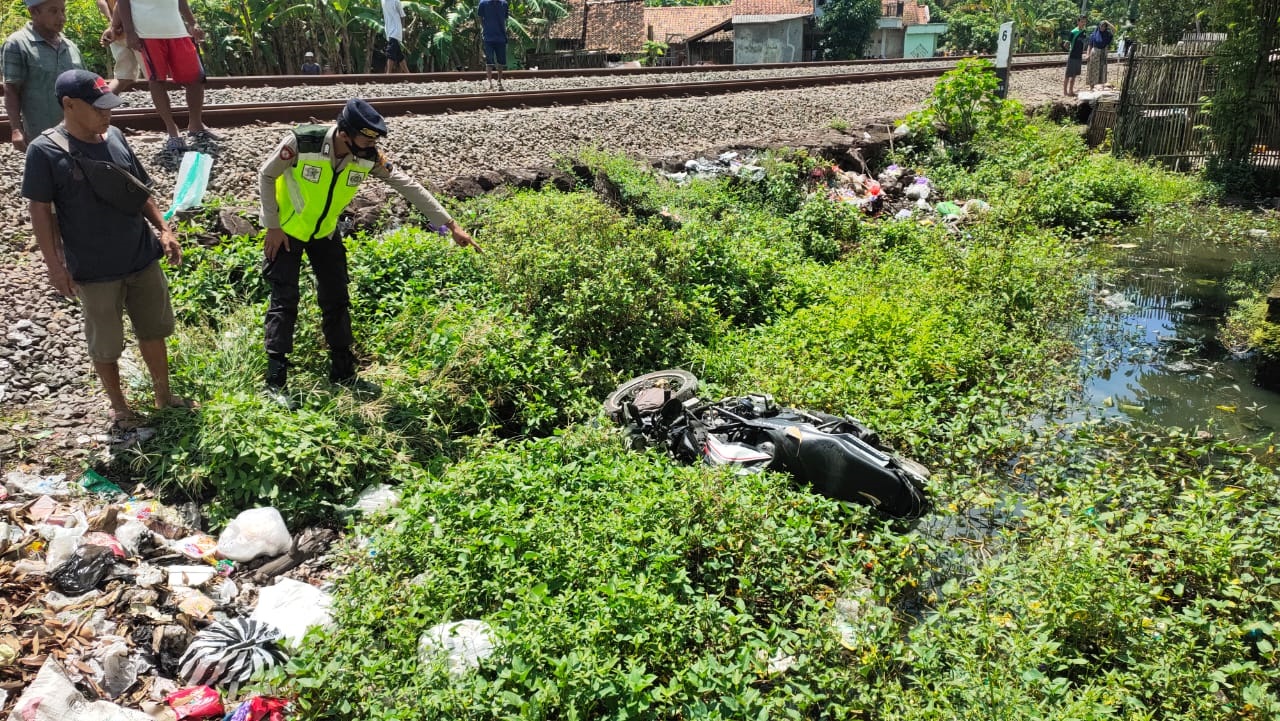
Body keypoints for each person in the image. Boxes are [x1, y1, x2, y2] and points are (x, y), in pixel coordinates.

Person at [257, 98, 480, 398]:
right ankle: (275, 380)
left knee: (336, 297)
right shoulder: (302, 142)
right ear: (344, 133)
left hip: (324, 233)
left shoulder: (368, 156)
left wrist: (450, 225)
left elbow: (408, 186)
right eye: (364, 140)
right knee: (285, 299)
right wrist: (272, 225)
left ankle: (343, 369)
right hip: (286, 232)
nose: (369, 147)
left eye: (373, 141)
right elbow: (267, 174)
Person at [22, 69, 189, 432]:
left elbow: (139, 190)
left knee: (153, 329)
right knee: (105, 344)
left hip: (141, 257)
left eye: (109, 108)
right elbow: (40, 212)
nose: (107, 115)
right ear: (69, 105)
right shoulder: (45, 151)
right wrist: (55, 265)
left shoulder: (114, 136)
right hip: (95, 269)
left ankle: (164, 395)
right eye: (98, 109)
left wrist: (163, 229)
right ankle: (120, 408)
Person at [115, 0, 219, 153]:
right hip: (147, 32)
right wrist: (130, 32)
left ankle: (196, 125)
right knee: (157, 80)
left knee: (196, 77)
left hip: (177, 30)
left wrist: (192, 22)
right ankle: (172, 130)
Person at [2, 0, 83, 152]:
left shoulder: (71, 46)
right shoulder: (17, 44)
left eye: (63, 11)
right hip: (42, 137)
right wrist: (16, 129)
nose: (61, 17)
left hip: (77, 134)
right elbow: (11, 89)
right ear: (34, 12)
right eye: (53, 11)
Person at [96, 0, 145, 94]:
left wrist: (112, 25)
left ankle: (101, 103)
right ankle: (163, 107)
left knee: (122, 78)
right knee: (155, 77)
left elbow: (101, 2)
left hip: (116, 34)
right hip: (136, 33)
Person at [476, 0, 508, 91]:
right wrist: (485, 28)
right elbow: (480, 17)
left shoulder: (504, 4)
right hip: (488, 37)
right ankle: (489, 82)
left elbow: (505, 18)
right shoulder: (483, 3)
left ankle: (499, 81)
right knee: (489, 61)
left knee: (501, 61)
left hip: (501, 37)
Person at [381, 0, 408, 73]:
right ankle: (408, 74)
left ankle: (388, 74)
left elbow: (402, 16)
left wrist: (401, 30)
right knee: (399, 55)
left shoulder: (396, 1)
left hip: (396, 30)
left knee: (390, 51)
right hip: (389, 31)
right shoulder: (382, 1)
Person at [1063, 15, 1087, 97]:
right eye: (1082, 21)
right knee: (1068, 75)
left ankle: (1071, 91)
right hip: (1072, 55)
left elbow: (1083, 42)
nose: (1083, 23)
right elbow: (1066, 44)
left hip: (1079, 56)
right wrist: (1069, 49)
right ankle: (1065, 92)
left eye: (1084, 21)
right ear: (1078, 22)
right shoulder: (1073, 32)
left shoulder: (1084, 31)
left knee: (1074, 75)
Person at [1085, 21, 1113, 89]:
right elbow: (1090, 45)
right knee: (1093, 69)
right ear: (1099, 26)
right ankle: (1091, 86)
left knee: (1102, 69)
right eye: (1101, 26)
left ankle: (1101, 85)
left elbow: (1114, 30)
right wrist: (1087, 54)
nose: (1102, 28)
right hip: (1095, 53)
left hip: (1103, 53)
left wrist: (1107, 22)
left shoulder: (1108, 34)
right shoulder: (1093, 35)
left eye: (1104, 26)